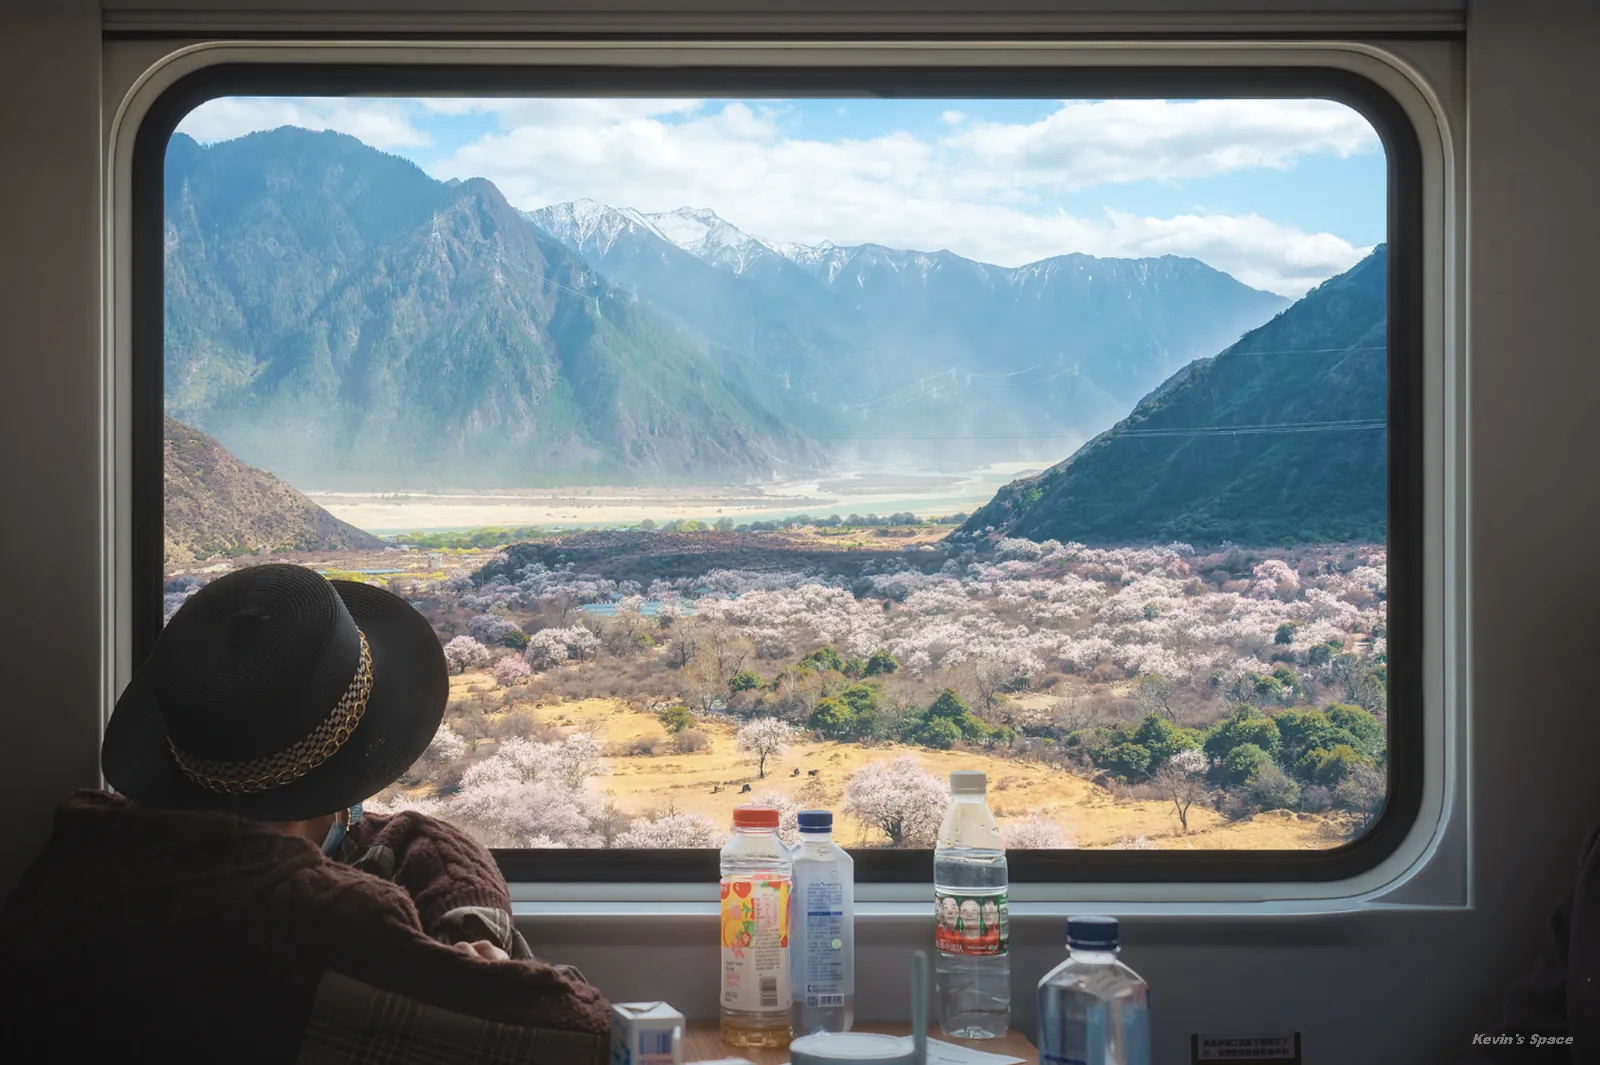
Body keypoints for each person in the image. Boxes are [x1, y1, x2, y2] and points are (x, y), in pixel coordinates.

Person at [0, 565, 611, 1063]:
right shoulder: (327, 926)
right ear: (344, 780)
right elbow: (582, 1034)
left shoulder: (84, 859)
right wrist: (485, 959)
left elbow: (386, 845)